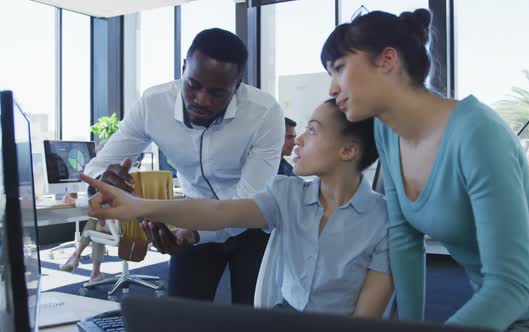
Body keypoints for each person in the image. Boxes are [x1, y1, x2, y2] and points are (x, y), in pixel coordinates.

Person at [320, 9, 529, 332]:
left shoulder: (477, 134)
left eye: (339, 69)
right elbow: (404, 239)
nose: (332, 89)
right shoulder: (386, 130)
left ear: (387, 60)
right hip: (497, 309)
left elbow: (512, 285)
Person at [81, 99, 393, 317]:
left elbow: (365, 319)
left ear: (348, 150)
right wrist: (137, 206)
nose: (297, 140)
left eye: (312, 130)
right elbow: (218, 212)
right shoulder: (286, 194)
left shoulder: (383, 221)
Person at [83, 28, 285, 304]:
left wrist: (196, 232)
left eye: (217, 93)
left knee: (252, 315)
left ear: (237, 85)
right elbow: (97, 167)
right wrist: (105, 181)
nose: (202, 99)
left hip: (252, 222)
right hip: (192, 215)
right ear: (183, 69)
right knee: (182, 313)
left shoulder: (265, 113)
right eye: (193, 85)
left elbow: (246, 203)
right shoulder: (153, 105)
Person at [59, 193, 106, 282]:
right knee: (95, 222)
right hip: (127, 224)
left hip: (125, 228)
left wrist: (73, 201)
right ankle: (95, 272)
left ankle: (76, 257)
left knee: (96, 227)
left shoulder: (113, 188)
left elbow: (96, 200)